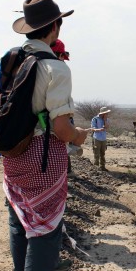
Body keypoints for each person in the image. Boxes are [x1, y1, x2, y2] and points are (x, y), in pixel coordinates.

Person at [0, 0, 89, 271]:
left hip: (11, 155)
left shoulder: (4, 60)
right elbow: (62, 130)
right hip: (44, 158)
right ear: (55, 27)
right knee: (45, 231)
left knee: (18, 220)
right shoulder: (56, 68)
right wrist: (80, 135)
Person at [51, 39, 75, 176]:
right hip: (47, 138)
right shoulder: (59, 71)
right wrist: (75, 134)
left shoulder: (23, 64)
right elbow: (60, 120)